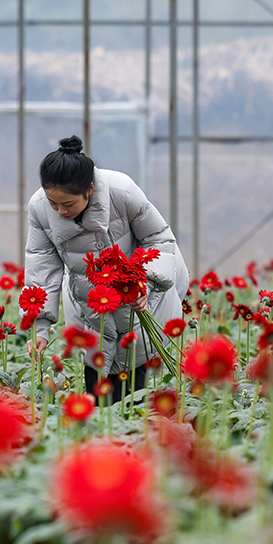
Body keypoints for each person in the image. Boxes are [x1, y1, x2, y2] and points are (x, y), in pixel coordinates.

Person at [24, 135, 189, 402]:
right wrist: (39, 328)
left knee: (136, 399)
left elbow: (159, 240)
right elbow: (40, 268)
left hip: (140, 302)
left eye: (67, 204)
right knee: (98, 391)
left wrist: (142, 285)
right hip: (89, 308)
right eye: (53, 203)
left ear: (89, 189)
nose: (59, 211)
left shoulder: (122, 192)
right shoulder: (39, 208)